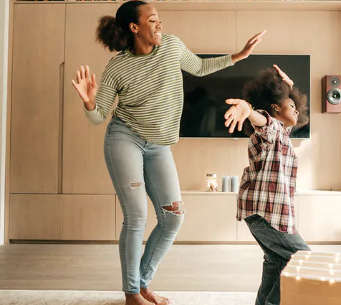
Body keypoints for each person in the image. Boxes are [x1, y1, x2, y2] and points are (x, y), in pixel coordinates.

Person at [71, 1, 265, 304]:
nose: (159, 24)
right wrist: (89, 103)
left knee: (172, 218)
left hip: (159, 145)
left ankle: (143, 282)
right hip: (126, 139)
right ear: (135, 28)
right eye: (152, 20)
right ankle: (131, 292)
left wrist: (238, 56)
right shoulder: (117, 67)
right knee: (136, 216)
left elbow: (199, 67)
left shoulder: (172, 46)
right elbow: (98, 117)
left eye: (159, 19)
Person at [223, 64, 309, 305]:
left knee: (277, 263)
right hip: (265, 214)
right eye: (289, 104)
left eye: (295, 105)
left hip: (267, 214)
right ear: (274, 108)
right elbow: (260, 120)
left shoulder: (283, 132)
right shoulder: (269, 131)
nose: (295, 108)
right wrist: (248, 109)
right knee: (302, 259)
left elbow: (292, 116)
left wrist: (289, 87)